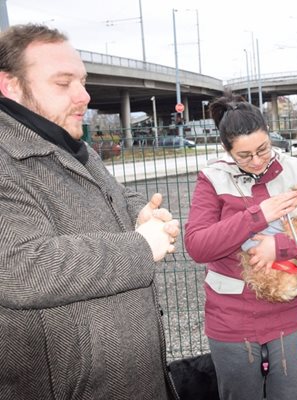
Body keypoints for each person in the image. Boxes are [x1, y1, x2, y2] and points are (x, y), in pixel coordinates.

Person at [0, 24, 180, 399]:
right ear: (10, 85)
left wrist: (138, 214)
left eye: (81, 81)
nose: (83, 96)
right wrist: (141, 247)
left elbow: (111, 193)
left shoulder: (66, 141)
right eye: (63, 84)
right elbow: (20, 269)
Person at [184, 94, 297, 400]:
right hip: (232, 318)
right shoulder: (212, 179)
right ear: (227, 151)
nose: (256, 160)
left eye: (263, 149)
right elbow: (198, 246)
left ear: (270, 136)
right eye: (244, 155)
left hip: (293, 315)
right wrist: (259, 215)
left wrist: (279, 247)